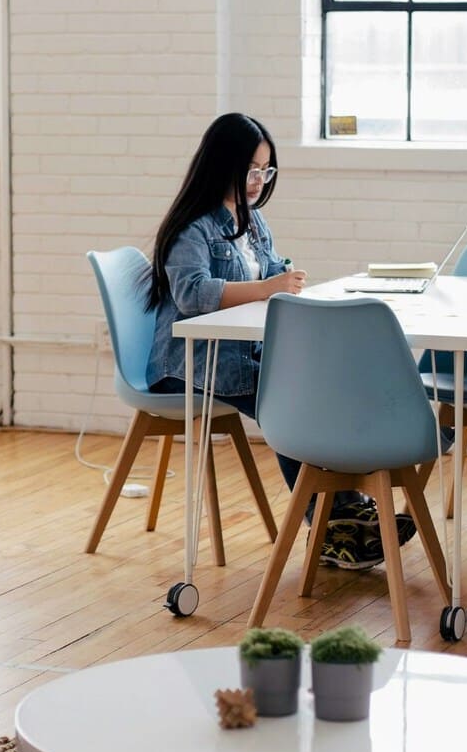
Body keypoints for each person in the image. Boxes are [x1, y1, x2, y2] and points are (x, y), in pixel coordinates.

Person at [144, 112, 411, 569]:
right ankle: (332, 523)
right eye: (250, 169)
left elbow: (267, 278)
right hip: (190, 366)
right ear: (220, 163)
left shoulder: (254, 222)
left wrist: (281, 282)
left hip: (243, 355)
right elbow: (192, 295)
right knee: (292, 399)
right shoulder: (194, 227)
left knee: (320, 383)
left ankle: (346, 514)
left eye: (265, 171)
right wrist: (269, 287)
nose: (258, 181)